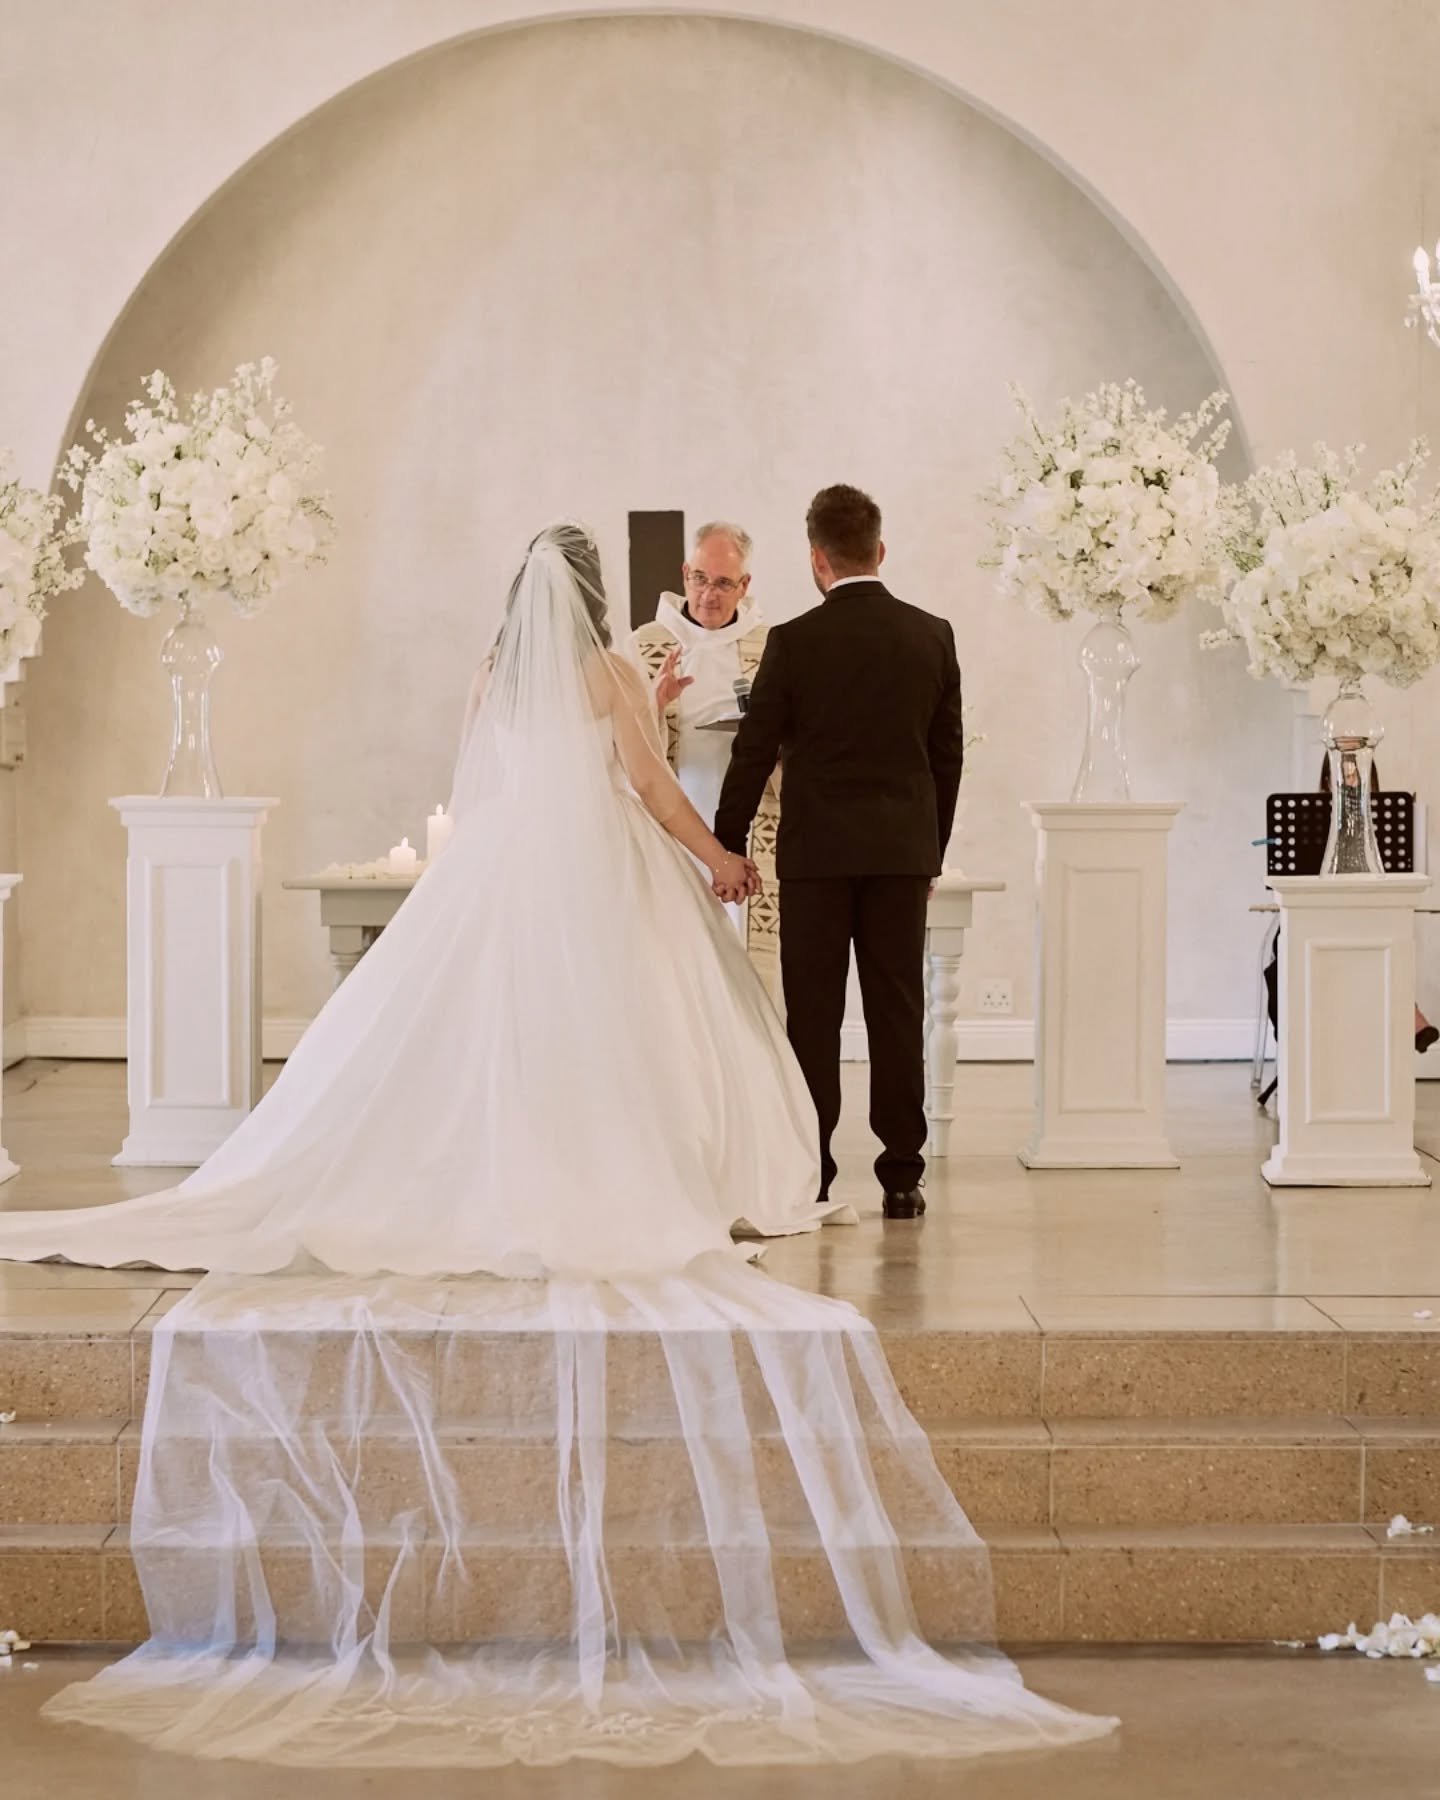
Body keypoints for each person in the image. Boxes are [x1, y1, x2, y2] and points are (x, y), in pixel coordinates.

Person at [0, 526, 1110, 1768]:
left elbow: (486, 791)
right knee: (648, 1038)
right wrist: (719, 857)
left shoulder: (490, 679)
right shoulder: (611, 677)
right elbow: (647, 788)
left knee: (471, 1041)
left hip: (503, 883)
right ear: (599, 602)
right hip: (607, 886)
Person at [716, 486, 964, 1219]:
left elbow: (752, 751)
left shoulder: (793, 642)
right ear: (878, 551)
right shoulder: (932, 634)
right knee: (898, 1012)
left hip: (816, 858)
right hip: (900, 855)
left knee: (814, 1019)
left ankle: (814, 1170)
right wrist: (931, 853)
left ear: (817, 560)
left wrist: (726, 848)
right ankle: (901, 1174)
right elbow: (946, 758)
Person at [625, 521, 781, 992]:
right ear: (684, 573)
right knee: (680, 973)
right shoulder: (645, 646)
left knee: (750, 971)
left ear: (745, 586)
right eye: (699, 579)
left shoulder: (771, 646)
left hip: (757, 827)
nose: (708, 595)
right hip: (674, 828)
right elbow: (623, 749)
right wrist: (655, 701)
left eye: (723, 583)